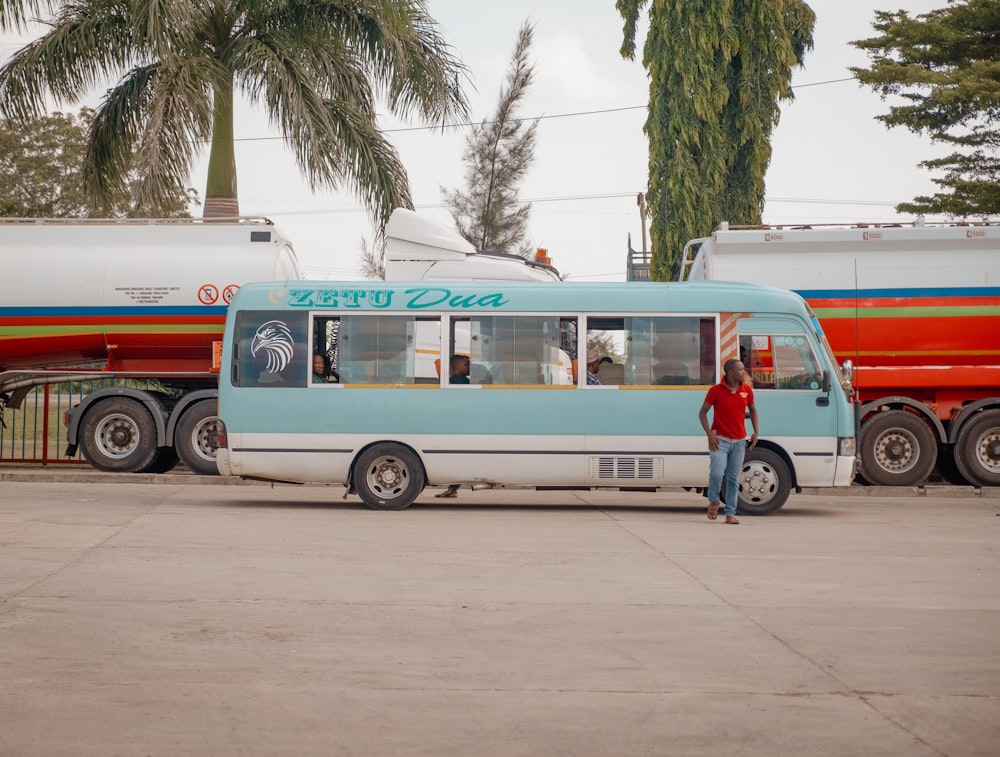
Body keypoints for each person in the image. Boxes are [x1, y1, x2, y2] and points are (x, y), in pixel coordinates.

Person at [698, 358, 759, 525]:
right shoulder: (716, 391)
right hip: (720, 440)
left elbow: (753, 410)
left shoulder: (746, 390)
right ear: (730, 372)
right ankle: (713, 501)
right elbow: (702, 413)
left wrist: (755, 432)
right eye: (740, 370)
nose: (743, 372)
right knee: (717, 474)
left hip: (739, 441)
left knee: (733, 478)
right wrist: (710, 434)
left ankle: (730, 513)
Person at [437, 355, 471, 498]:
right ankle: (453, 488)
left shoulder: (453, 381)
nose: (468, 367)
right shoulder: (460, 381)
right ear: (456, 366)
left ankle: (453, 488)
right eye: (466, 364)